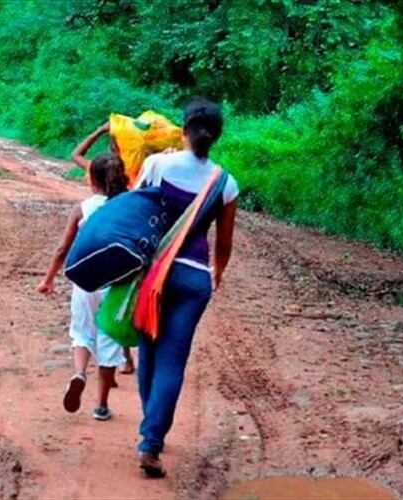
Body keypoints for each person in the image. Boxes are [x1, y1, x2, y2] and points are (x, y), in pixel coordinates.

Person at [132, 98, 238, 478]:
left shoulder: (158, 164)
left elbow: (135, 211)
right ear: (216, 137)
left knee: (148, 351)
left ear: (183, 129)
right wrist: (218, 271)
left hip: (154, 274)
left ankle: (152, 431)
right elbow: (223, 243)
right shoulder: (225, 184)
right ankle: (151, 438)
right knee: (173, 360)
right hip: (194, 279)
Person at [37, 154, 130, 421]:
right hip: (117, 283)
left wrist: (48, 279)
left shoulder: (83, 208)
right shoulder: (127, 206)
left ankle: (79, 373)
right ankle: (101, 405)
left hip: (86, 281)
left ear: (92, 179)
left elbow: (62, 249)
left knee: (81, 332)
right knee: (110, 338)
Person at [71, 123, 136, 376]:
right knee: (115, 303)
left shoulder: (96, 169)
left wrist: (98, 130)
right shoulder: (131, 180)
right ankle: (123, 360)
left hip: (91, 261)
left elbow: (76, 154)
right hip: (120, 261)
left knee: (88, 320)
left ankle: (98, 366)